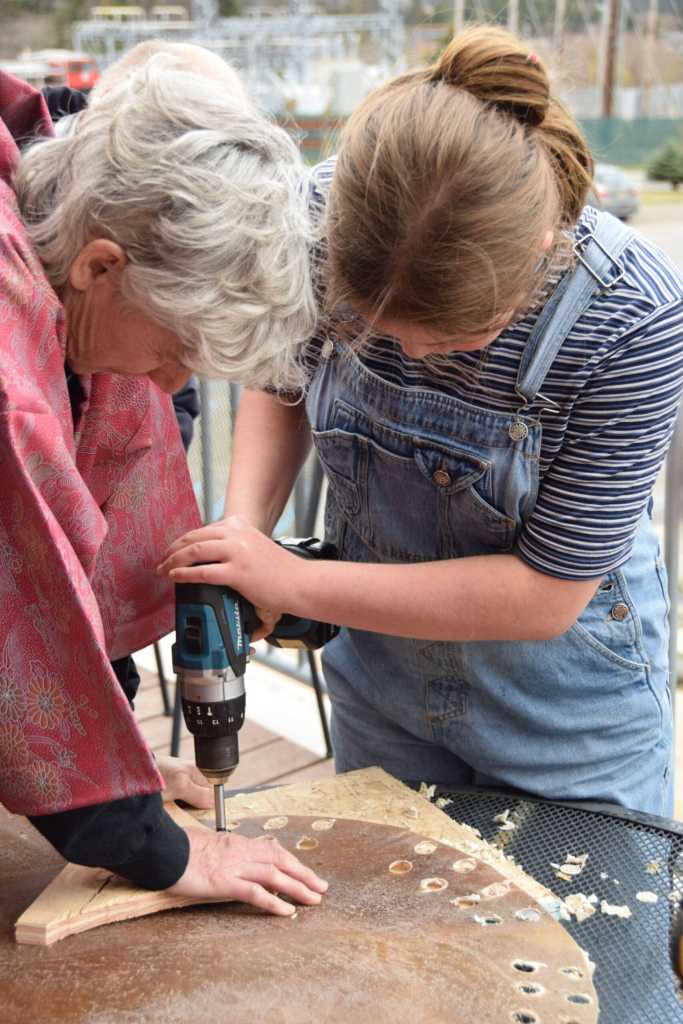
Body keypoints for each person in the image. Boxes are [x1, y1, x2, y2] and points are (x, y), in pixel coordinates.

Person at [159, 27, 683, 818]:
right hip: (381, 686)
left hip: (566, 717)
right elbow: (282, 382)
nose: (405, 350)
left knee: (589, 938)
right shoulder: (321, 214)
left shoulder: (631, 320)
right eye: (374, 327)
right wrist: (245, 547)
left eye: (443, 339)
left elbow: (543, 595)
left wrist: (297, 582)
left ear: (539, 252)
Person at [0, 44, 326, 913]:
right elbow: (20, 617)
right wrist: (151, 845)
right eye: (176, 348)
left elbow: (77, 587)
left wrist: (121, 766)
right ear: (101, 266)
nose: (175, 387)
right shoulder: (6, 361)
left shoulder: (65, 244)